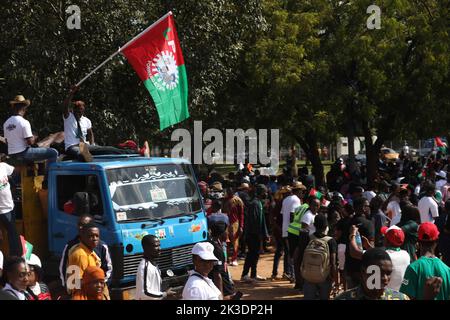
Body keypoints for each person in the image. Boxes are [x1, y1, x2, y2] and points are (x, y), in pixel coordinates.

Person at [62, 87, 148, 162]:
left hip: (84, 145)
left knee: (110, 149)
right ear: (73, 110)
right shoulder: (69, 117)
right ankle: (88, 158)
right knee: (83, 155)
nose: (79, 113)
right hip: (72, 146)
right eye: (77, 111)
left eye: (81, 111)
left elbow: (90, 133)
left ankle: (138, 152)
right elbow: (65, 106)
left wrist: (92, 145)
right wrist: (71, 93)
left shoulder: (86, 120)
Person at [4, 95, 58, 184]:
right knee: (53, 153)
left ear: (13, 107)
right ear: (24, 108)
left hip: (12, 155)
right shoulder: (24, 122)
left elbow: (7, 141)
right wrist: (34, 137)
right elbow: (30, 142)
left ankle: (14, 181)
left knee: (25, 161)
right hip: (23, 154)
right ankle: (47, 181)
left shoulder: (6, 123)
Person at [59, 214, 112, 290]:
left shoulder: (102, 246)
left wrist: (101, 285)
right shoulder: (72, 247)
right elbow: (64, 268)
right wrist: (67, 288)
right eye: (79, 225)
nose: (80, 227)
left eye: (84, 225)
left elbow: (108, 269)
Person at [400, 222, 450, 300]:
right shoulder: (447, 270)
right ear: (436, 241)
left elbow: (405, 297)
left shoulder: (413, 268)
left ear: (418, 241)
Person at [335, 248, 409, 300]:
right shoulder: (344, 298)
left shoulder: (400, 298)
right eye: (378, 272)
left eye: (388, 273)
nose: (385, 278)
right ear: (363, 272)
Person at [301, 214, 337, 300]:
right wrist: (335, 280)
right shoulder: (331, 241)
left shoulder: (308, 238)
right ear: (326, 226)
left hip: (308, 277)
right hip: (324, 277)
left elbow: (301, 257)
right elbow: (333, 262)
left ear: (314, 225)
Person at [66, 223, 105, 298]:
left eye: (97, 236)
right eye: (91, 236)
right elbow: (77, 284)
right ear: (82, 237)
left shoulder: (89, 251)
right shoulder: (81, 255)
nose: (95, 239)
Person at [241, 184, 270, 282]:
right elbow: (255, 221)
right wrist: (260, 234)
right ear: (261, 192)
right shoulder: (254, 204)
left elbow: (262, 220)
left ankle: (253, 274)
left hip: (256, 233)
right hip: (252, 234)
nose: (266, 194)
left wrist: (265, 233)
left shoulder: (258, 203)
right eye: (264, 192)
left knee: (256, 254)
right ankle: (245, 274)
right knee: (251, 254)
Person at [344, 197, 374, 289]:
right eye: (367, 206)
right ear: (363, 208)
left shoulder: (347, 222)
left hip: (349, 265)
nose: (369, 207)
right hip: (364, 267)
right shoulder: (369, 224)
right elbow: (371, 245)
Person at [135, 235, 175, 300]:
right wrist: (165, 294)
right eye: (156, 246)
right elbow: (144, 292)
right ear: (146, 248)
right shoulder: (144, 267)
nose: (160, 248)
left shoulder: (154, 264)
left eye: (159, 245)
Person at [280, 182, 304, 281]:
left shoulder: (285, 199)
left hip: (285, 229)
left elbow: (282, 214)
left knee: (289, 253)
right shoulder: (296, 200)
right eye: (302, 191)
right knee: (295, 254)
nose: (302, 193)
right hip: (292, 231)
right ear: (298, 191)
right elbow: (292, 215)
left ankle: (289, 273)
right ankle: (293, 275)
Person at [208, 220, 236, 299]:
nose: (228, 234)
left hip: (226, 286)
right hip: (223, 289)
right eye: (226, 232)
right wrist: (220, 295)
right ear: (221, 234)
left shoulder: (215, 245)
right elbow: (217, 275)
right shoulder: (216, 249)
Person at [0, 158, 22, 257]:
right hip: (3, 210)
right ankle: (15, 257)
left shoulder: (3, 166)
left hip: (9, 207)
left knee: (12, 232)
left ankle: (15, 256)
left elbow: (15, 170)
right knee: (11, 232)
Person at [380, 226, 410, 291]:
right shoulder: (406, 254)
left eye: (385, 236)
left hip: (388, 295)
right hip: (401, 294)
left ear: (388, 241)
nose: (383, 237)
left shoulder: (384, 256)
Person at [222, 186, 244, 266]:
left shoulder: (237, 200)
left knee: (235, 241)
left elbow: (241, 214)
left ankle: (234, 258)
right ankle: (226, 259)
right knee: (225, 242)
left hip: (235, 223)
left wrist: (241, 226)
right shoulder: (224, 200)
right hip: (225, 222)